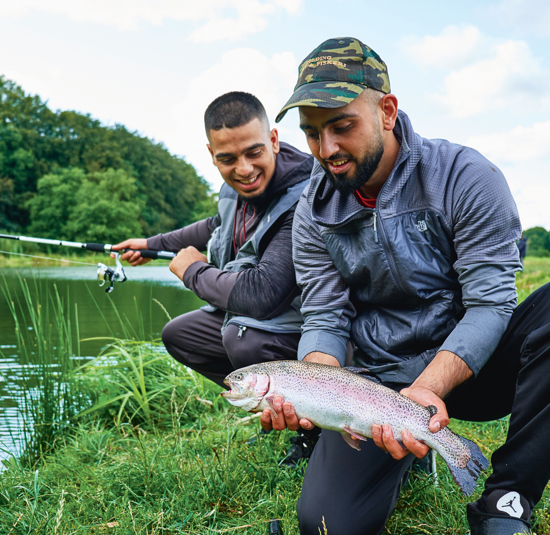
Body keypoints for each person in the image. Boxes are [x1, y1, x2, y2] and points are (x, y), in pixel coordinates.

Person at [263, 37, 550, 535]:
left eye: (342, 126)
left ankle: (506, 498)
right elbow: (326, 317)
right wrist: (311, 385)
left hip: (475, 365)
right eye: (311, 133)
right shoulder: (310, 212)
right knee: (326, 525)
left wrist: (429, 387)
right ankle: (402, 457)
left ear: (388, 111)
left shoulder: (467, 177)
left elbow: (490, 303)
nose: (326, 149)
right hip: (379, 385)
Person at [113, 91, 319, 464]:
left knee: (244, 339)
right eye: (227, 159)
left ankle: (315, 427)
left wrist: (193, 271)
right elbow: (215, 226)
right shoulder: (236, 189)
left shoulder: (304, 196)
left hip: (319, 330)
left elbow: (262, 294)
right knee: (181, 335)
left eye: (254, 152)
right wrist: (151, 244)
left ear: (273, 139)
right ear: (211, 153)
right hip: (279, 323)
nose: (243, 169)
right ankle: (287, 415)